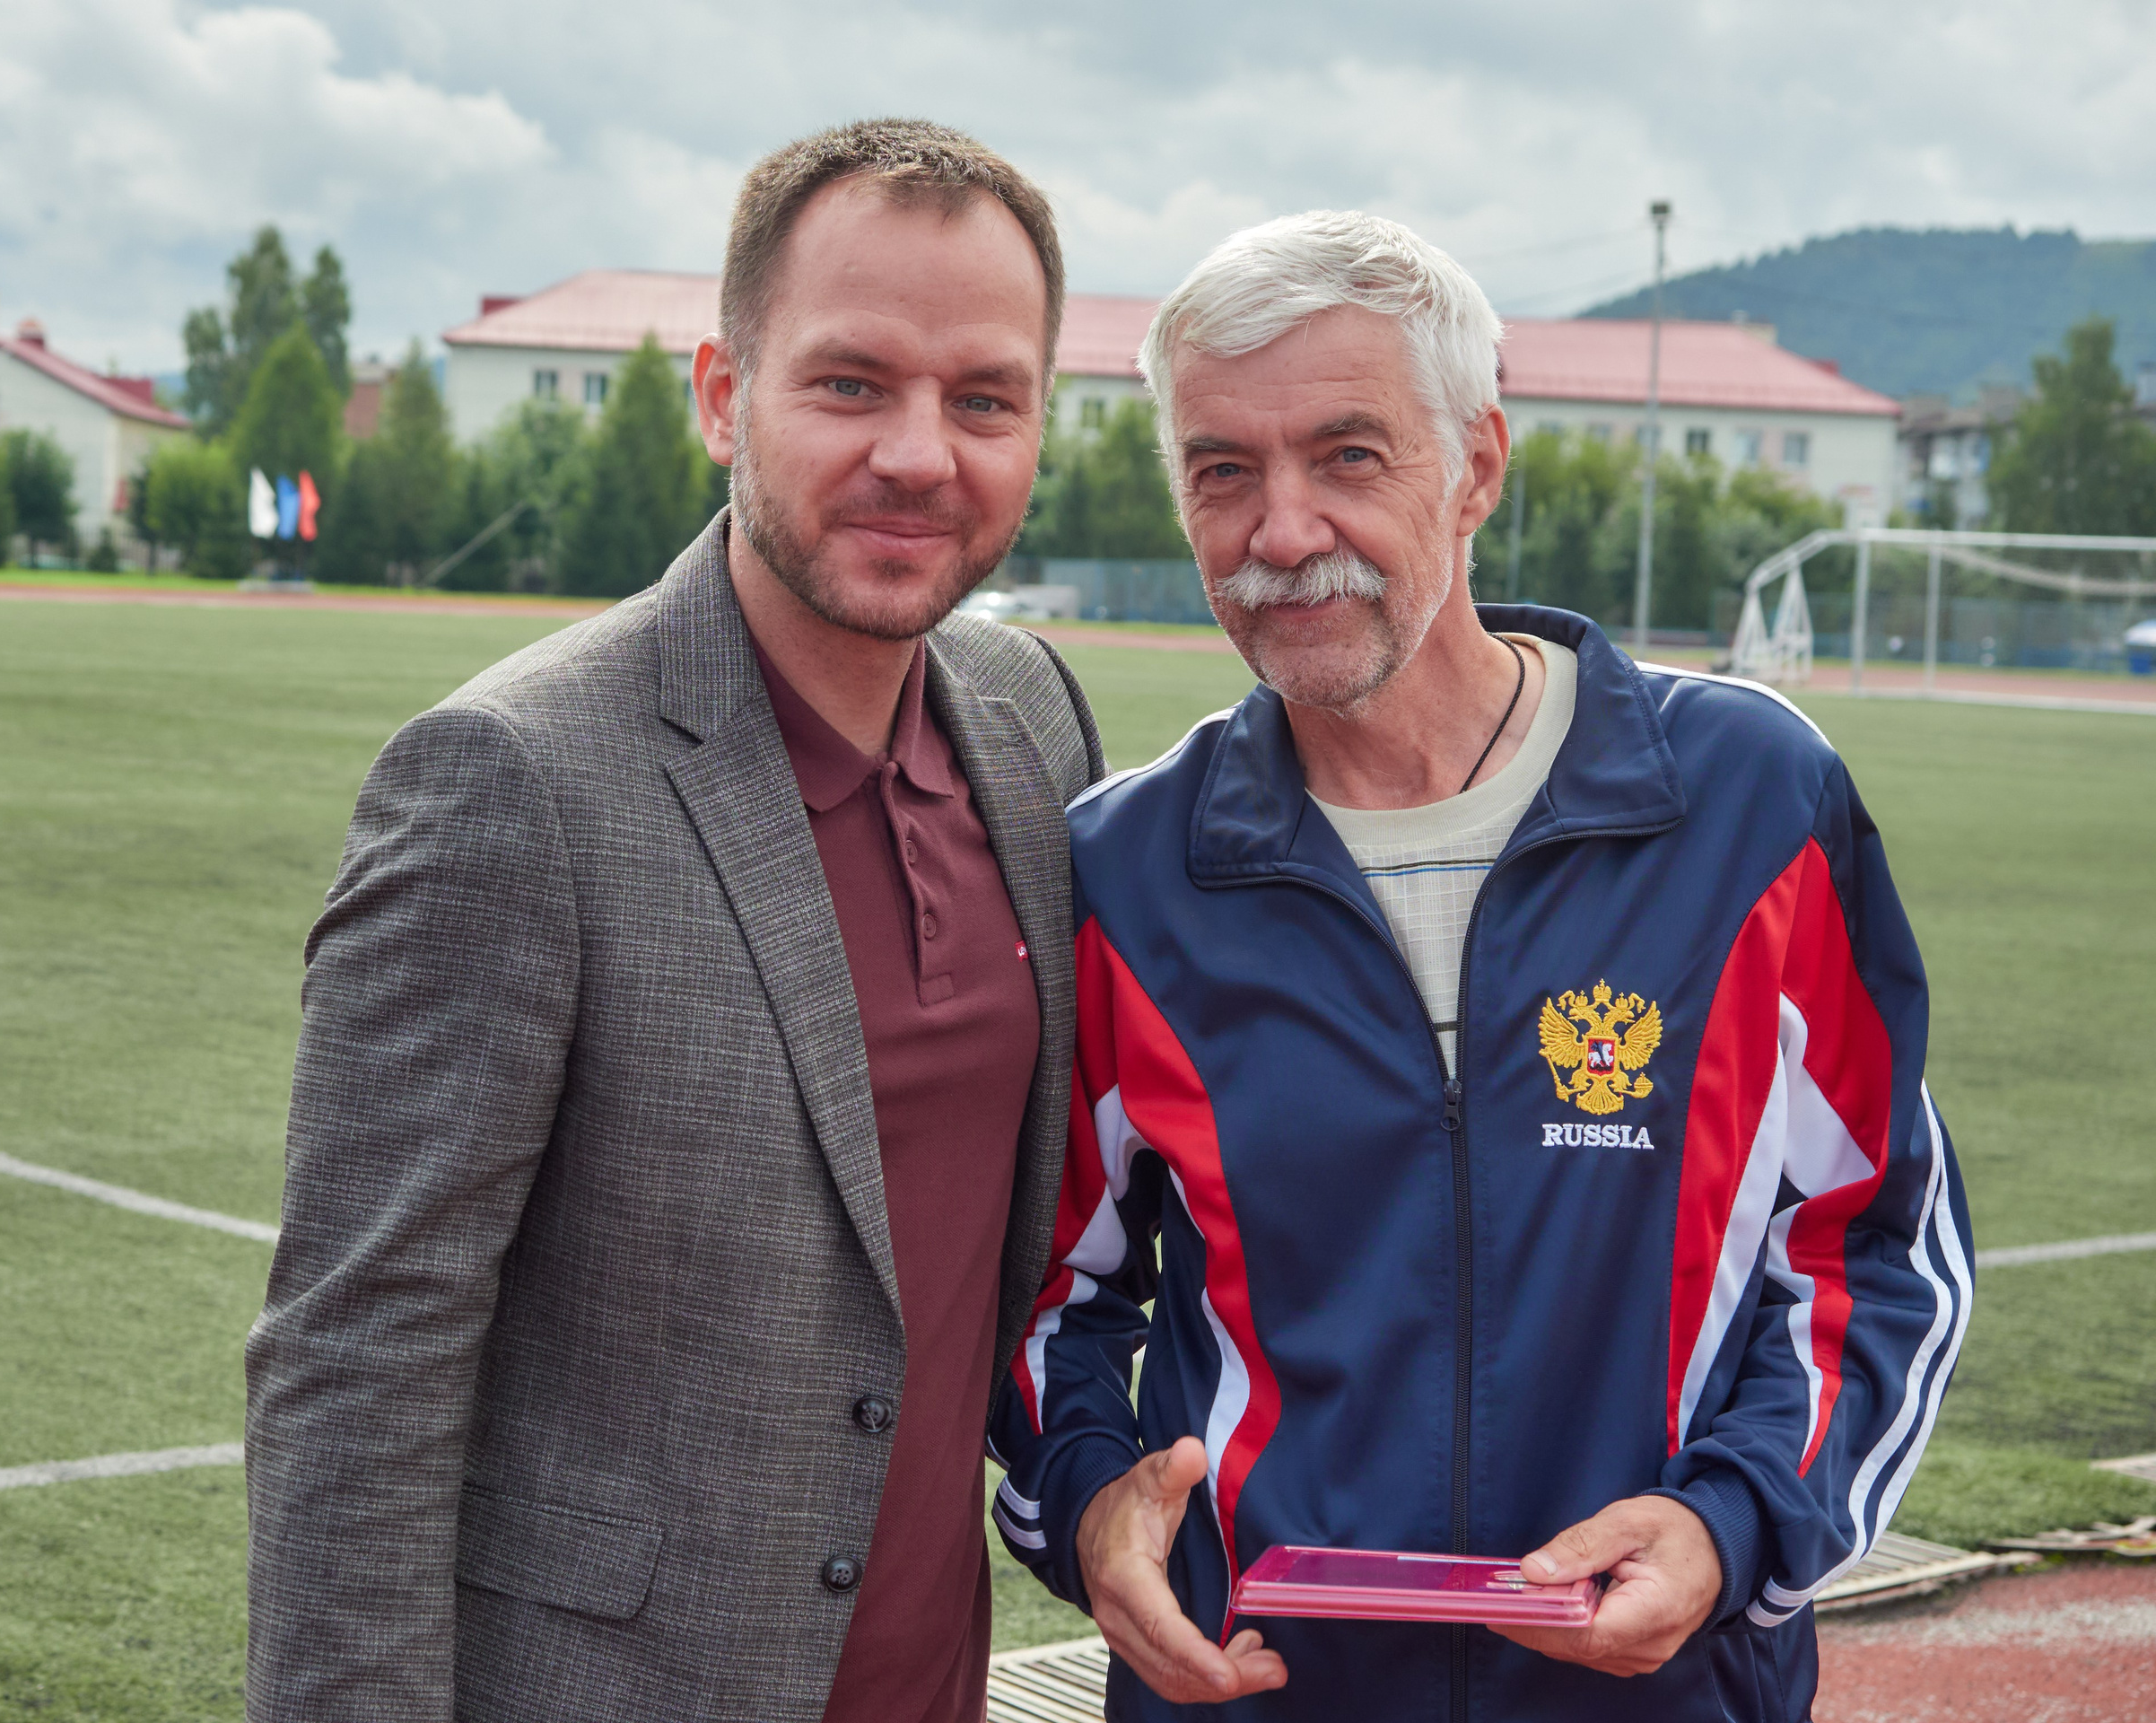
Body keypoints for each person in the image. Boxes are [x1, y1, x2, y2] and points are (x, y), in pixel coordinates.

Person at [988, 211, 1972, 1721]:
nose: (1284, 531)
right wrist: (1091, 1499)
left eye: (1351, 456)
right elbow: (1037, 1293)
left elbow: (1874, 1245)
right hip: (1256, 1695)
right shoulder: (1124, 875)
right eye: (1223, 471)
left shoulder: (1749, 808)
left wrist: (1728, 1529)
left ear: (1480, 469)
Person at [244, 118, 1105, 1723]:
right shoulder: (510, 780)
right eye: (851, 383)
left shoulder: (1033, 721)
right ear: (724, 394)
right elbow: (356, 1365)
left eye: (983, 398)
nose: (922, 452)